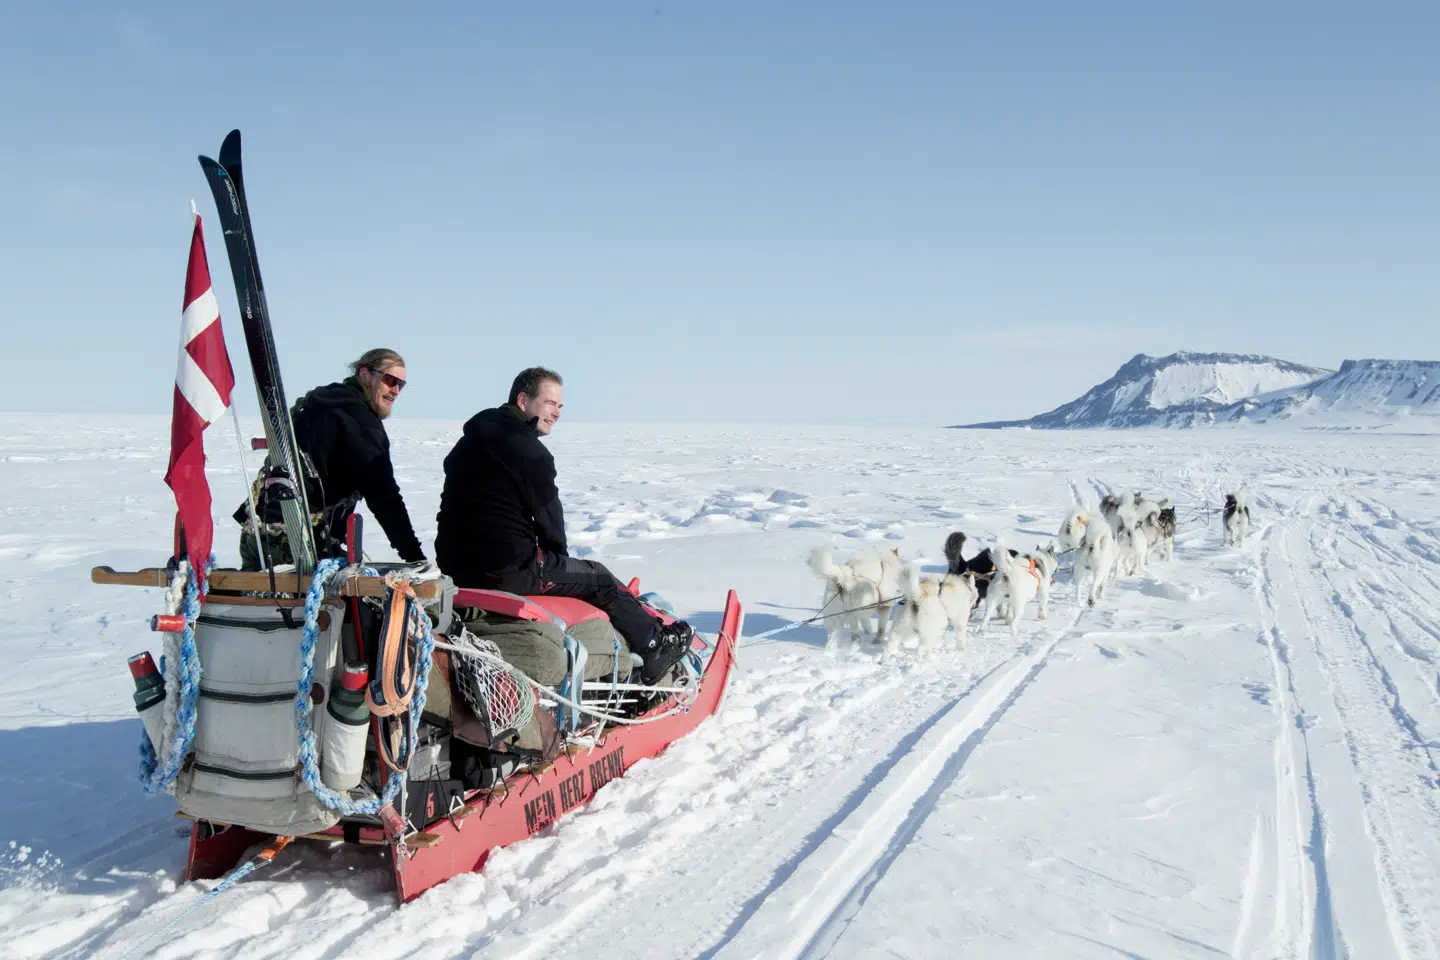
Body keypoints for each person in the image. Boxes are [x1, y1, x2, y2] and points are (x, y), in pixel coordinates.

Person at [434, 366, 694, 683]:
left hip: (456, 569)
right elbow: (549, 519)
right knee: (598, 577)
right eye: (549, 403)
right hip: (508, 570)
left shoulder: (466, 445)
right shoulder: (530, 452)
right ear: (523, 400)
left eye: (559, 406)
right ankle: (655, 645)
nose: (556, 413)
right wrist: (560, 567)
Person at [238, 348, 425, 569]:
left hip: (257, 539)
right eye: (389, 380)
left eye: (400, 385)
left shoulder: (316, 401)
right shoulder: (360, 423)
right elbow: (384, 496)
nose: (395, 390)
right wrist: (413, 554)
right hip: (303, 547)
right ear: (364, 374)